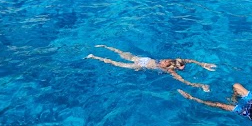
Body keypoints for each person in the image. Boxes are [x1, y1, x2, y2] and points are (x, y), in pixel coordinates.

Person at [87, 45, 216, 92]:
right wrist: (203, 64)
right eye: (166, 60)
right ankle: (104, 47)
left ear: (171, 67)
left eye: (166, 62)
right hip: (142, 59)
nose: (165, 60)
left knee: (116, 63)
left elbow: (184, 81)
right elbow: (190, 60)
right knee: (121, 52)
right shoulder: (172, 61)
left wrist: (200, 85)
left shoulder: (169, 70)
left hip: (139, 65)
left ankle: (94, 57)